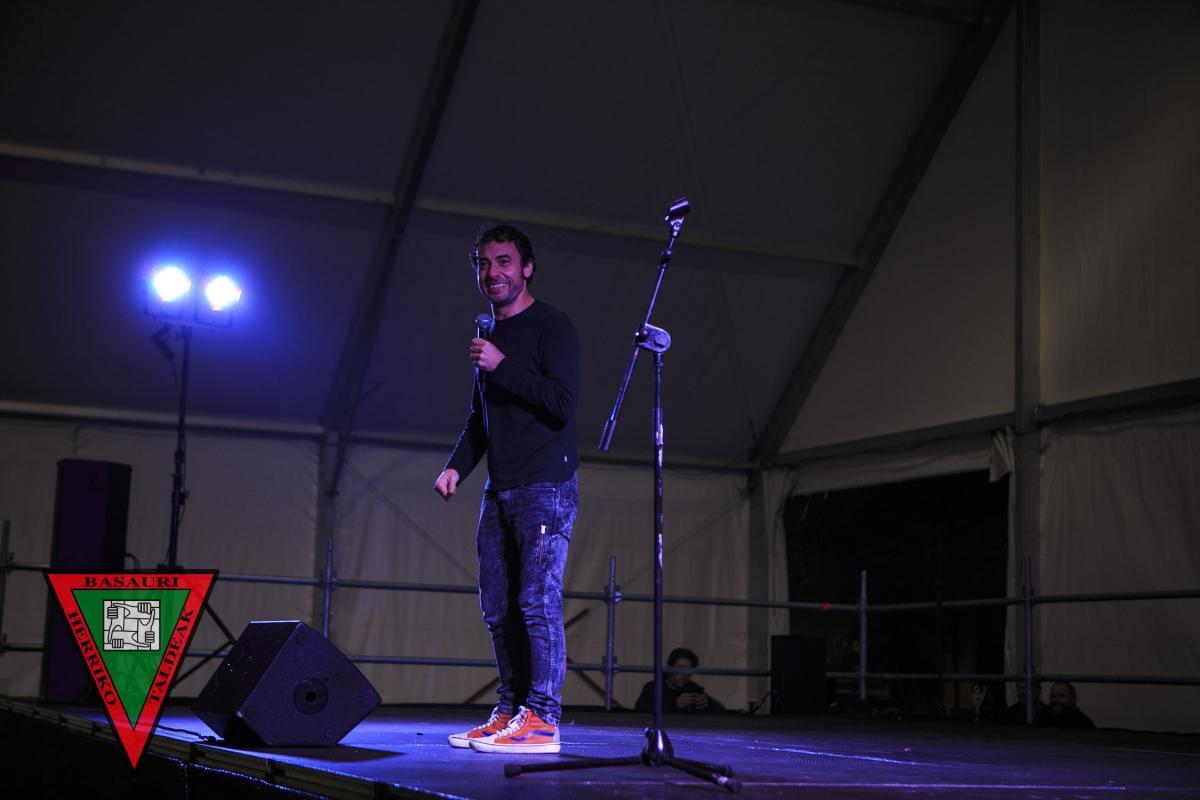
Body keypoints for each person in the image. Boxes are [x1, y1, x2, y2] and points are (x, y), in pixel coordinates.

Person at [436, 224, 581, 754]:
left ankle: (542, 716)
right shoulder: (488, 335)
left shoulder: (552, 326)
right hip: (499, 489)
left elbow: (562, 403)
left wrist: (503, 366)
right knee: (498, 608)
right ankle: (512, 709)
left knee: (536, 602)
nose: (491, 272)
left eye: (502, 261)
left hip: (545, 485)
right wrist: (456, 467)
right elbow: (480, 418)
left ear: (527, 268)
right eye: (482, 263)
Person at [635, 647, 725, 714]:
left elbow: (721, 709)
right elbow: (641, 709)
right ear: (669, 668)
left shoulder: (693, 688)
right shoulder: (654, 687)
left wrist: (708, 703)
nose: (685, 674)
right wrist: (675, 704)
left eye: (689, 671)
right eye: (680, 668)